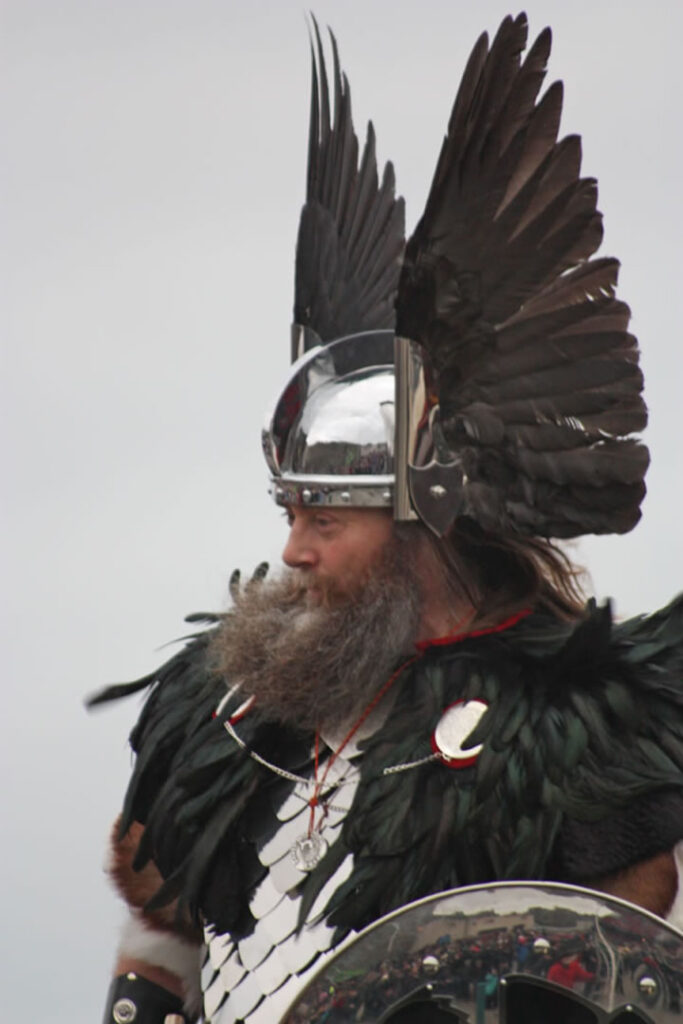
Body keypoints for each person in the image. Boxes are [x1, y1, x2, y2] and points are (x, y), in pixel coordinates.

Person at [91, 13, 683, 1024]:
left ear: (421, 518)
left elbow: (628, 971)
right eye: (289, 511)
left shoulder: (577, 736)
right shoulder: (223, 712)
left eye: (325, 518)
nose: (292, 550)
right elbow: (165, 947)